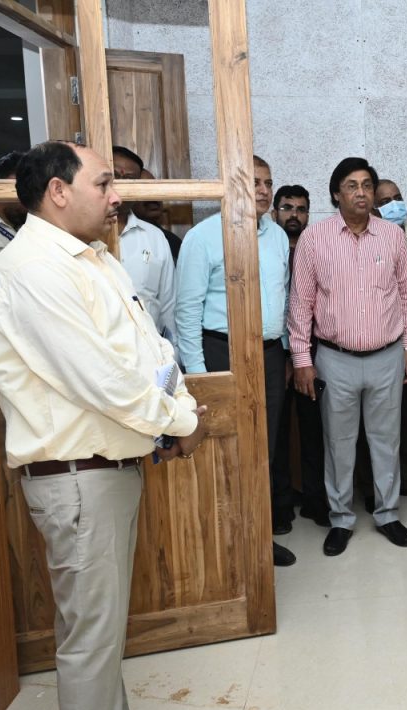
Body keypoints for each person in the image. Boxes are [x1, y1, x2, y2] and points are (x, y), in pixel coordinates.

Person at [0, 140, 208, 710]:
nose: (116, 196)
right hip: (79, 479)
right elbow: (103, 380)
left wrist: (180, 405)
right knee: (91, 645)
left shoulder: (95, 259)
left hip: (110, 471)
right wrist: (180, 422)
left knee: (102, 640)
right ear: (58, 191)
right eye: (103, 183)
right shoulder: (31, 271)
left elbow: (153, 351)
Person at [288, 157, 407, 556]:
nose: (361, 192)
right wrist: (302, 360)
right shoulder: (315, 239)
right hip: (335, 359)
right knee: (338, 443)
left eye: (367, 185)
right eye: (351, 185)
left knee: (386, 441)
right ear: (336, 194)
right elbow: (301, 302)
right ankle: (341, 519)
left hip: (387, 357)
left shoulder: (392, 236)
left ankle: (387, 514)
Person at [176, 155, 296, 567]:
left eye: (268, 183)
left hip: (268, 353)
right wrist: (199, 376)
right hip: (219, 352)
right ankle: (227, 547)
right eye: (255, 182)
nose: (263, 191)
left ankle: (259, 541)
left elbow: (281, 299)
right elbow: (186, 311)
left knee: (265, 449)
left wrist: (283, 353)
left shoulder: (276, 236)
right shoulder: (203, 237)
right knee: (224, 451)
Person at [354, 179, 407, 510]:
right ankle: (372, 488)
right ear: (373, 207)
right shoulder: (368, 241)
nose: (394, 205)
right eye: (385, 200)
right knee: (373, 423)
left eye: (398, 197)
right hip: (382, 344)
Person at [269, 185, 330, 528]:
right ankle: (280, 504)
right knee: (276, 432)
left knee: (314, 430)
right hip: (275, 353)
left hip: (313, 353)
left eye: (301, 209)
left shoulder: (317, 247)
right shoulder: (265, 248)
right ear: (274, 212)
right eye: (287, 207)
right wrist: (288, 355)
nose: (294, 214)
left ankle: (315, 499)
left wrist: (301, 357)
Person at [112, 146, 177, 344]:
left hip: (150, 348)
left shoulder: (155, 237)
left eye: (129, 179)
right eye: (115, 176)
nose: (121, 184)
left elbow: (168, 305)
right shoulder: (82, 233)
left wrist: (174, 352)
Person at [131, 168, 183, 262]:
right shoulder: (119, 238)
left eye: (156, 190)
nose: (153, 198)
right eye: (144, 191)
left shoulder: (172, 241)